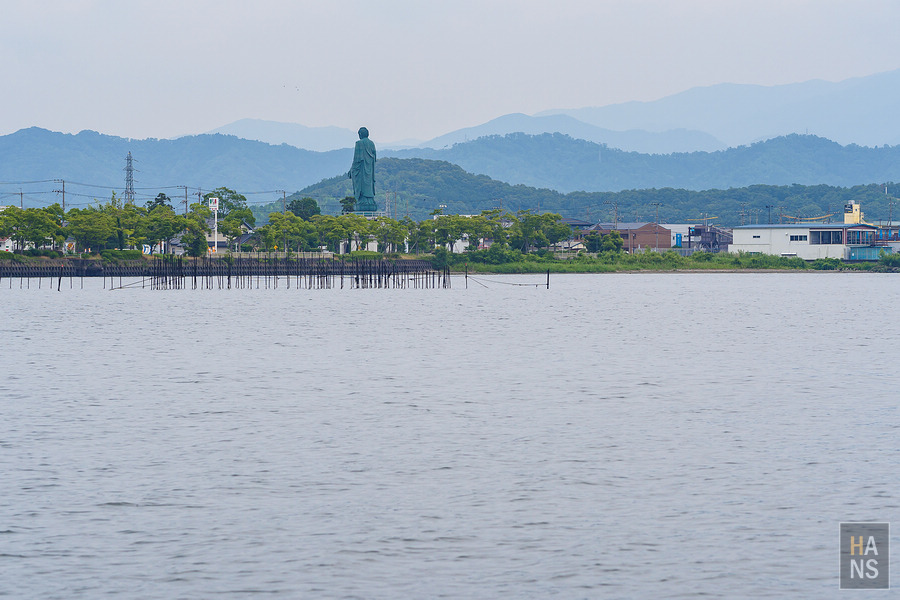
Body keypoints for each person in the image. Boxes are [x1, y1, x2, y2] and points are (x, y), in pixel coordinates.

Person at [348, 127, 377, 212]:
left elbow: (356, 160)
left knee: (361, 186)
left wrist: (351, 170)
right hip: (370, 171)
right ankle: (370, 201)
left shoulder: (359, 143)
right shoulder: (372, 144)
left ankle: (363, 201)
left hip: (361, 171)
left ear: (360, 134)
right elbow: (374, 159)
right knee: (369, 185)